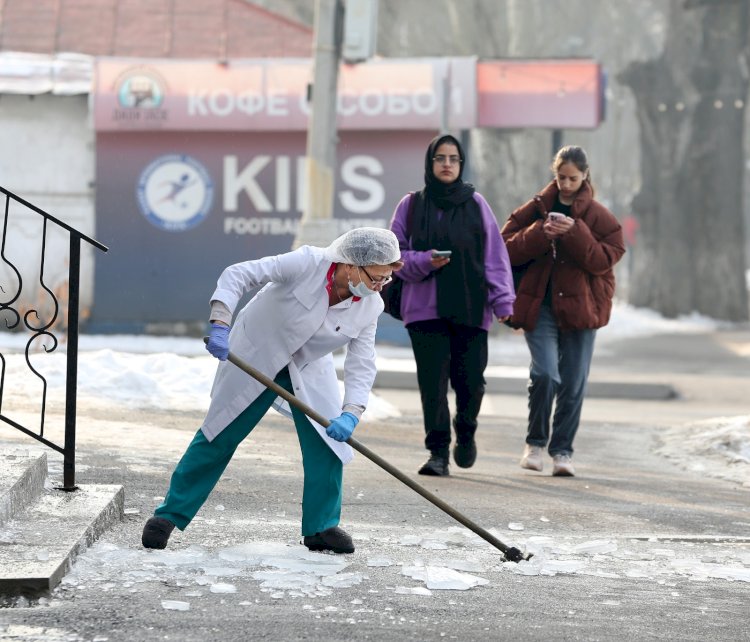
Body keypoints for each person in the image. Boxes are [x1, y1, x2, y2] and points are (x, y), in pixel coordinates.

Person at [141, 227, 403, 554]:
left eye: (384, 280)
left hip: (307, 366)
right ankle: (168, 516)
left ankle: (321, 527)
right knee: (220, 433)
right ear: (350, 264)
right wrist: (221, 323)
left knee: (329, 445)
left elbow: (362, 361)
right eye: (375, 277)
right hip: (257, 352)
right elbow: (239, 274)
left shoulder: (370, 306)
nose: (378, 286)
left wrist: (351, 412)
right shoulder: (307, 263)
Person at [389, 134, 516, 477]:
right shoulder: (411, 205)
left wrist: (503, 300)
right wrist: (424, 261)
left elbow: (495, 257)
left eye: (453, 159)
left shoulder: (476, 204)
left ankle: (467, 429)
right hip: (423, 310)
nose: (446, 164)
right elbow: (392, 255)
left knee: (470, 382)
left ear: (461, 164)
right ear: (430, 164)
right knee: (432, 385)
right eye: (440, 158)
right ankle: (437, 453)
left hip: (471, 308)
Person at [501, 145, 625, 477]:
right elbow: (504, 249)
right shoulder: (536, 207)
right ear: (553, 175)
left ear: (585, 175)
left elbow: (604, 259)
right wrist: (540, 233)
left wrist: (575, 232)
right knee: (544, 374)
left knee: (573, 382)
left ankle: (563, 452)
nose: (566, 184)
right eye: (560, 177)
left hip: (582, 309)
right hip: (539, 305)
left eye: (572, 178)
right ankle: (535, 443)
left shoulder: (599, 216)